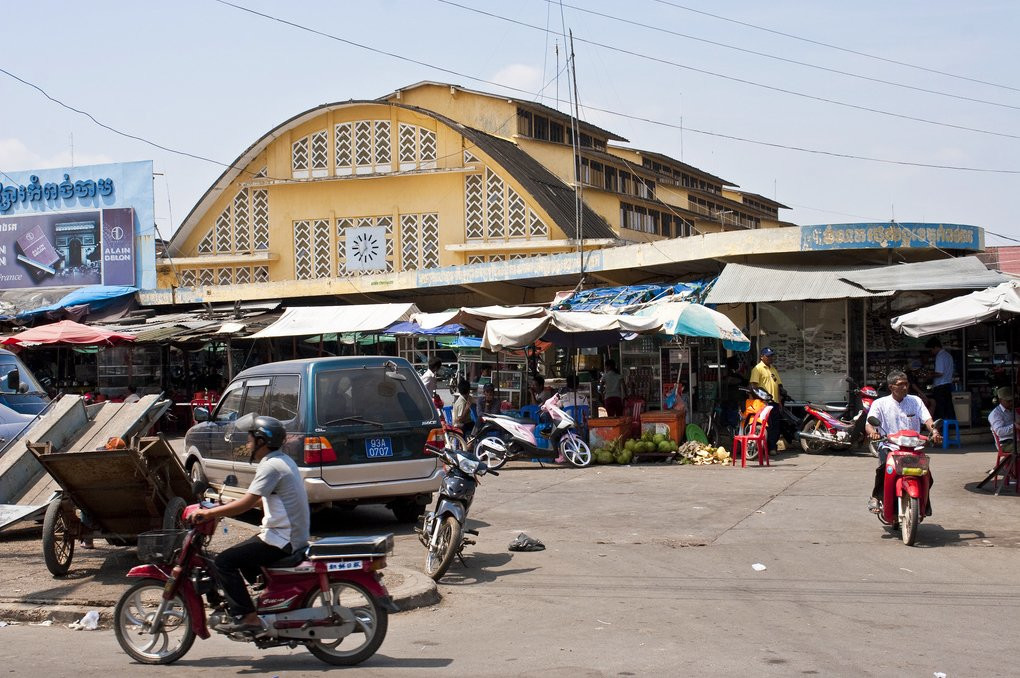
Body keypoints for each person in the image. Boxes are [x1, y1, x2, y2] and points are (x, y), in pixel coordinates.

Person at [188, 415, 310, 634]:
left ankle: (249, 617)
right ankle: (266, 600)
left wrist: (209, 514)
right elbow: (259, 498)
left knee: (224, 561)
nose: (247, 443)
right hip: (289, 534)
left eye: (250, 439)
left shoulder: (271, 466)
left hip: (283, 539)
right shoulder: (281, 460)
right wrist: (221, 505)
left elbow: (246, 504)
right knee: (244, 554)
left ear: (262, 441)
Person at [865, 370, 941, 514]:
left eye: (906, 384)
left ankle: (925, 502)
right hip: (890, 446)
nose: (905, 388)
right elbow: (869, 424)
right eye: (901, 385)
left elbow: (927, 419)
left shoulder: (915, 401)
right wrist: (873, 433)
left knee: (927, 476)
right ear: (891, 387)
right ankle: (876, 497)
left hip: (914, 447)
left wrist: (935, 431)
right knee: (883, 471)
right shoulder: (880, 403)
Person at [749, 347, 794, 454]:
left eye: (771, 356)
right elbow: (753, 386)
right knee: (767, 425)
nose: (770, 358)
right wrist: (759, 400)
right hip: (763, 403)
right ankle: (766, 448)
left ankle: (772, 447)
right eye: (768, 356)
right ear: (762, 357)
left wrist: (779, 401)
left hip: (774, 402)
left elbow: (778, 385)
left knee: (775, 425)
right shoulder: (758, 369)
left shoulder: (773, 369)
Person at [927, 337, 955, 421]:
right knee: (948, 408)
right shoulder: (948, 355)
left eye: (931, 349)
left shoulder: (939, 356)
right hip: (948, 385)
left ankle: (941, 428)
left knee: (941, 410)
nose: (931, 352)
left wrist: (930, 375)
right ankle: (951, 427)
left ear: (935, 347)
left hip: (940, 387)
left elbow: (940, 372)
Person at [988, 386, 1018, 452]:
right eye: (1008, 401)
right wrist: (1014, 426)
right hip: (1005, 444)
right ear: (1000, 400)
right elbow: (999, 431)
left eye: (1012, 400)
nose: (1011, 403)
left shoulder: (1012, 410)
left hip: (1016, 440)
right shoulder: (995, 414)